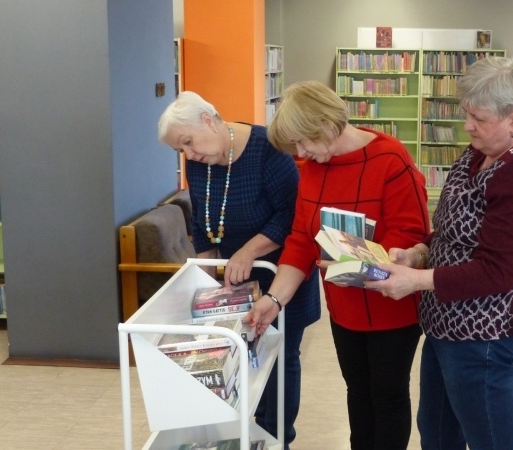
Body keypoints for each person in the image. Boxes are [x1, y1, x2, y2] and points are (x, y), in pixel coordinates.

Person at [365, 57, 513, 450]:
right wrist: (420, 252)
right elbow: (453, 227)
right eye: (466, 114)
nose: (467, 126)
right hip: (451, 322)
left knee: (488, 440)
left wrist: (416, 281)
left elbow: (498, 272)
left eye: (478, 118)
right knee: (438, 432)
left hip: (490, 331)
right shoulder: (483, 149)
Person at [244, 80, 430, 450]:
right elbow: (300, 239)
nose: (300, 153)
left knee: (388, 396)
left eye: (304, 142)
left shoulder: (389, 159)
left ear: (327, 125)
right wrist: (273, 300)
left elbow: (411, 236)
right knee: (358, 393)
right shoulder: (312, 166)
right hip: (344, 308)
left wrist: (364, 255)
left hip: (391, 308)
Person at [157, 91, 320, 448]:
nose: (189, 154)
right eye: (180, 150)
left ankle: (277, 437)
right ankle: (246, 435)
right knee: (241, 355)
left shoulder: (267, 148)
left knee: (280, 357)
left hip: (281, 270)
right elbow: (201, 219)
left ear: (208, 120)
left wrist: (249, 250)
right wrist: (204, 276)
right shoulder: (200, 160)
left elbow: (293, 215)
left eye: (188, 142)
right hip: (235, 279)